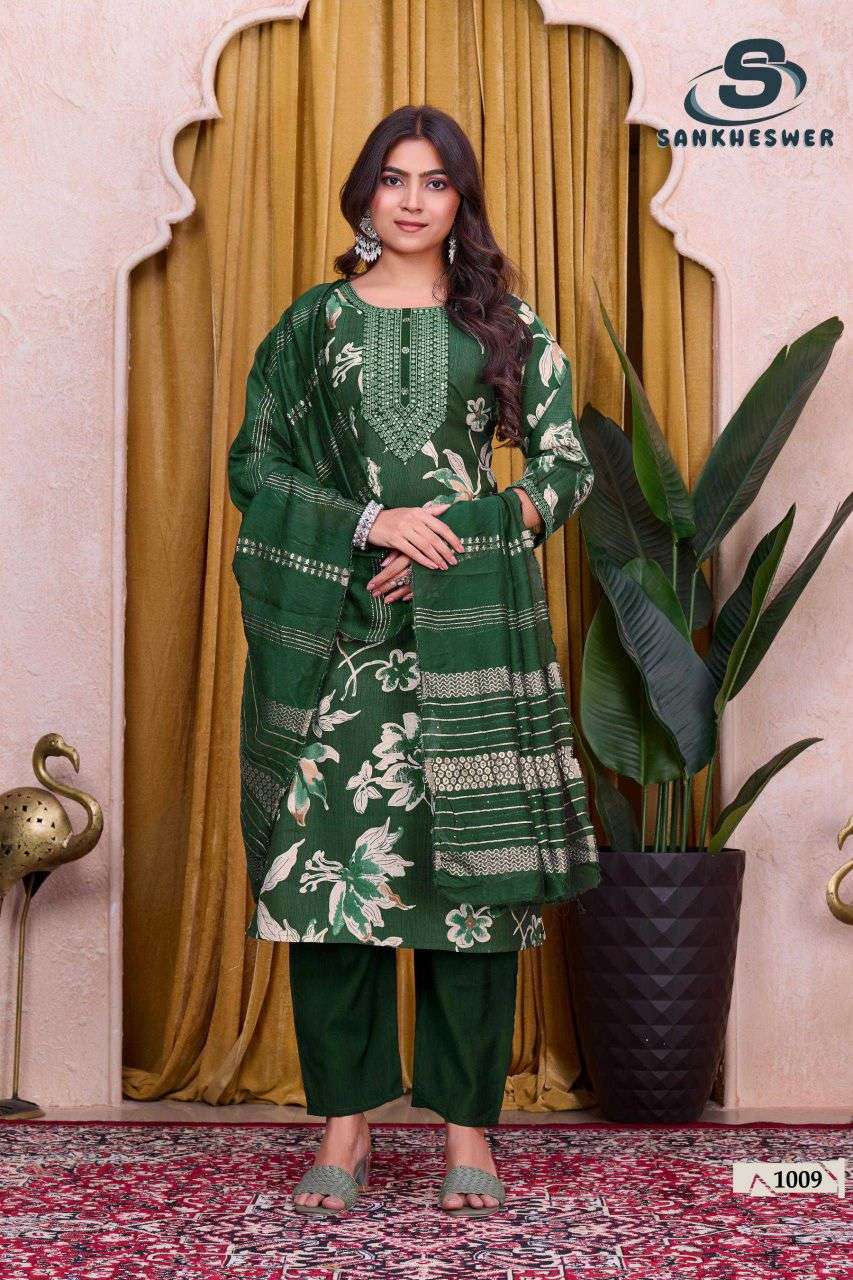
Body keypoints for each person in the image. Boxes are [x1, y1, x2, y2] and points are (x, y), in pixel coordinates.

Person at [227, 104, 599, 1218]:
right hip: (342, 637)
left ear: (460, 201)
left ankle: (467, 1132)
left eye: (436, 182)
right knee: (328, 884)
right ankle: (343, 1127)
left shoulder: (502, 324)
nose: (411, 200)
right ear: (364, 192)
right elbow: (257, 465)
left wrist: (462, 535)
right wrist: (369, 524)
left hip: (466, 636)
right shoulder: (313, 323)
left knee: (470, 890)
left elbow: (566, 464)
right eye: (393, 178)